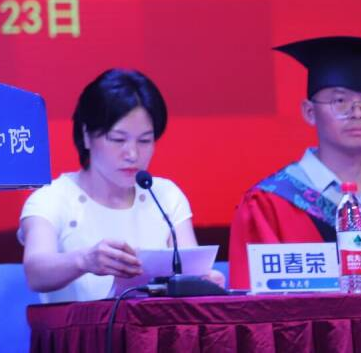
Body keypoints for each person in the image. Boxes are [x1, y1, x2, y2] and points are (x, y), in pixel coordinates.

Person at [19, 69, 216, 302]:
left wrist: (204, 282)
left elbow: (190, 269)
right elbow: (35, 272)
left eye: (145, 140)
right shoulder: (51, 198)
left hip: (156, 324)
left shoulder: (165, 196)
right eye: (118, 139)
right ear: (86, 135)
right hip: (80, 326)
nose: (132, 154)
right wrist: (84, 260)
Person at [228, 36, 361, 290]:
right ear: (309, 112)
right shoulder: (269, 203)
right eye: (340, 101)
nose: (358, 113)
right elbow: (255, 305)